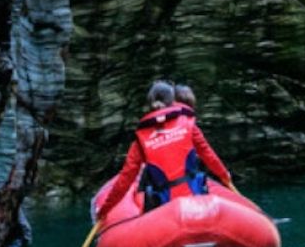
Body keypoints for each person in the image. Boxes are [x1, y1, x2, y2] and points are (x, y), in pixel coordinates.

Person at [95, 80, 235, 223]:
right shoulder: (189, 125)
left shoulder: (140, 139)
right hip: (195, 203)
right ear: (172, 102)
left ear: (149, 105)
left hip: (165, 211)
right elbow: (208, 155)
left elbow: (125, 179)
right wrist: (224, 176)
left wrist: (106, 209)